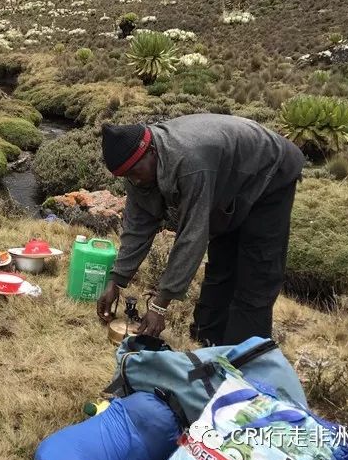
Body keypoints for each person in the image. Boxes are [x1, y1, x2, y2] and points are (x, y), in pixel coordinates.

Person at [96, 114, 304, 345]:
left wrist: (159, 306)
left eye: (135, 173)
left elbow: (192, 237)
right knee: (222, 263)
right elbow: (137, 227)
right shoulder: (136, 171)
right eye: (126, 176)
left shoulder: (189, 162)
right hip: (228, 179)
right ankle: (206, 341)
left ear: (151, 151)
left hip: (270, 172)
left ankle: (244, 355)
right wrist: (116, 280)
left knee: (256, 275)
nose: (134, 181)